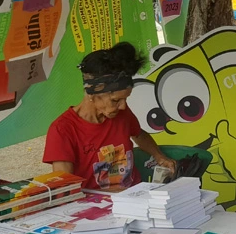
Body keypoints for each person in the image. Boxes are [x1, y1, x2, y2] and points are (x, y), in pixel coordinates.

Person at [43, 42, 175, 190]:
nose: (123, 106)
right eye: (116, 100)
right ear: (92, 93)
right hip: (97, 206)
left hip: (135, 197)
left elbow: (138, 134)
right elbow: (64, 186)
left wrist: (159, 157)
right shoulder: (63, 129)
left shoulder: (120, 113)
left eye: (125, 99)